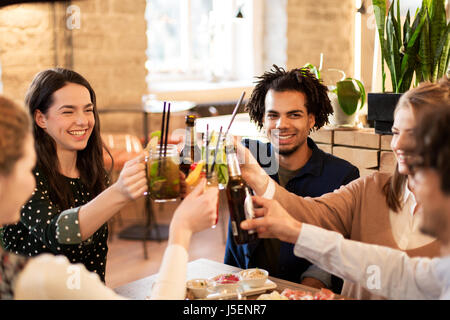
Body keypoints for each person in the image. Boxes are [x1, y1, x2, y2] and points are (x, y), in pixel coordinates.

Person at [236, 78, 449, 299]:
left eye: (413, 133)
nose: (397, 144)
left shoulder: (341, 172)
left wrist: (295, 232)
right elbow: (314, 213)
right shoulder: (369, 188)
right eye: (395, 133)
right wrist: (257, 177)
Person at [0, 94, 219, 299]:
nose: (83, 121)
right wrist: (182, 228)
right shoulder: (43, 277)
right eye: (27, 167)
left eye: (88, 110)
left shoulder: (90, 171)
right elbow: (56, 232)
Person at [224, 65, 359, 292]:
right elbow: (198, 159)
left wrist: (301, 293)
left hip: (302, 293)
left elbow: (336, 249)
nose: (281, 125)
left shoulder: (342, 175)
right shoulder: (246, 156)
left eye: (294, 115)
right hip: (239, 288)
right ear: (262, 120)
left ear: (311, 120)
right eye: (273, 115)